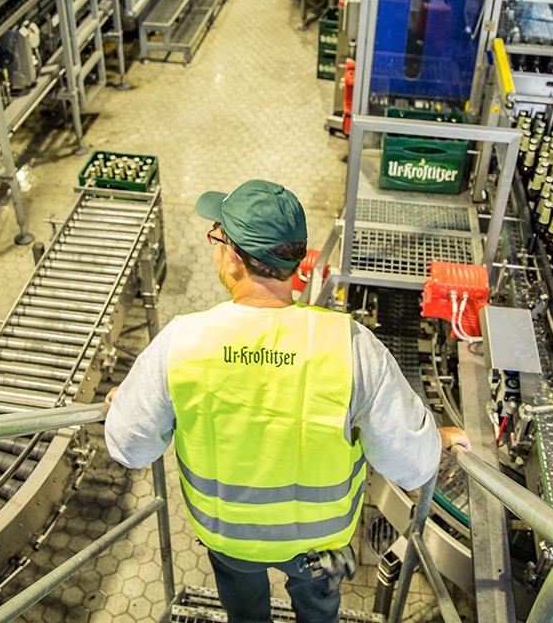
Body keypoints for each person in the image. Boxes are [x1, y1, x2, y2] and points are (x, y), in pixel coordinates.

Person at [104, 179, 470, 623]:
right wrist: (438, 437)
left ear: (233, 256)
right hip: (320, 545)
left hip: (230, 539)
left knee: (244, 611)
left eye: (216, 238)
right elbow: (412, 465)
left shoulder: (180, 344)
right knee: (318, 612)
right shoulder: (351, 346)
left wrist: (125, 402)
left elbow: (130, 448)